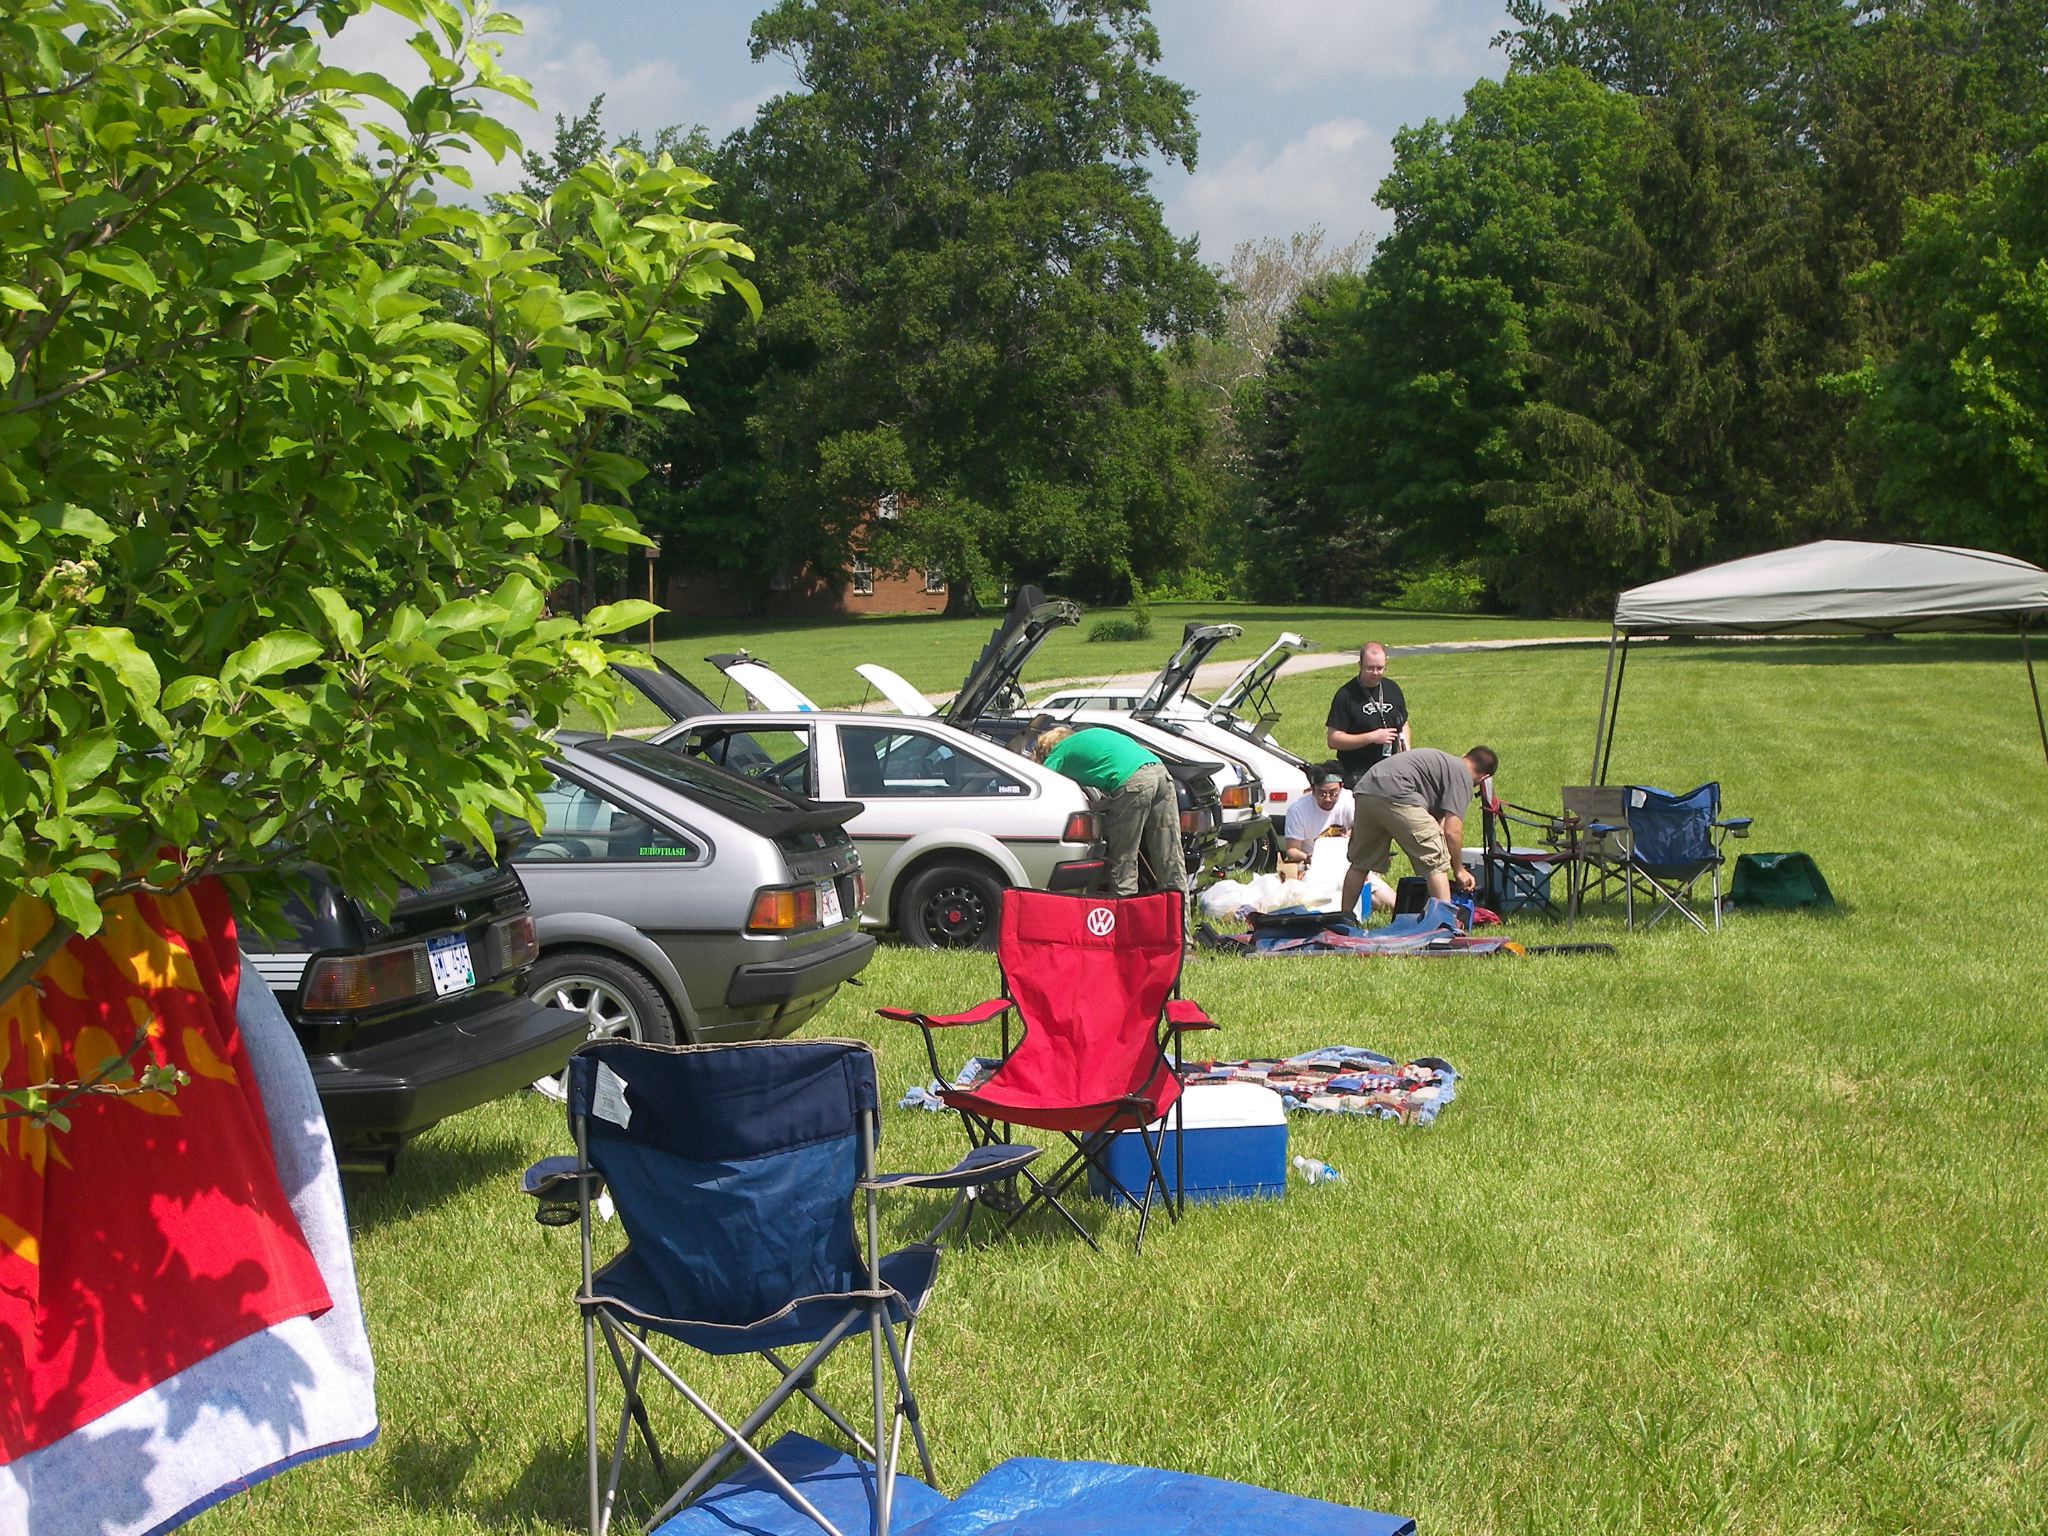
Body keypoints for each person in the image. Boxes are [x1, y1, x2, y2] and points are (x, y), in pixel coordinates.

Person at [1340, 745, 1499, 918]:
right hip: (1397, 792)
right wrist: (1459, 870)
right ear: (1484, 778)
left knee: (1360, 864)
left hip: (1366, 790)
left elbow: (1439, 827)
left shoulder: (1446, 765)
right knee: (1436, 860)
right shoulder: (1463, 777)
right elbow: (1452, 831)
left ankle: (1343, 919)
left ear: (1465, 755)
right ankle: (1444, 924)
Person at [1033, 725, 1185, 898]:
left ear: (1045, 749)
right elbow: (1117, 772)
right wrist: (1098, 806)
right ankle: (1180, 911)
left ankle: (1125, 911)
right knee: (1170, 854)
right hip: (1160, 771)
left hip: (1134, 782)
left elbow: (1041, 783)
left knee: (1124, 860)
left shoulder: (1058, 752)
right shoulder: (1086, 738)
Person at [1325, 643, 1409, 787]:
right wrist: (1372, 737)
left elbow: (1404, 722)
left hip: (1392, 770)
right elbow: (1333, 740)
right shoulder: (1346, 695)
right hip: (1358, 773)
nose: (1375, 673)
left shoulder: (1393, 689)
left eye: (1380, 668)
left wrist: (1406, 748)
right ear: (1360, 665)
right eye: (1370, 668)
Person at [1282, 762, 1354, 860]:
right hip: (1313, 861)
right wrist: (1307, 857)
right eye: (1322, 794)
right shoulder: (1297, 810)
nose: (1328, 799)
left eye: (1333, 793)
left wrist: (1351, 835)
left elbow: (1364, 827)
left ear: (1341, 787)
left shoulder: (1349, 800)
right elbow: (1292, 849)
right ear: (1312, 789)